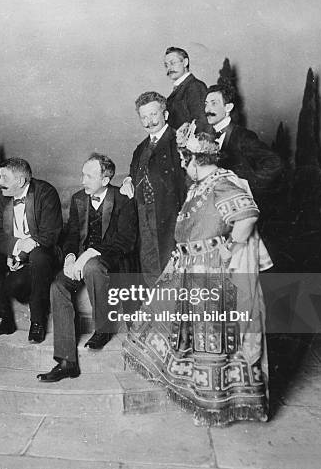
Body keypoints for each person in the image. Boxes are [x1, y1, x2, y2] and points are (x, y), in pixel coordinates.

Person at [123, 129, 271, 426]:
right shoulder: (202, 184)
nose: (181, 165)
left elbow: (247, 216)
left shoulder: (223, 183)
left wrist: (230, 250)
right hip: (191, 269)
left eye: (183, 159)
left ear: (194, 159)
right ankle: (200, 398)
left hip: (212, 273)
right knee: (190, 334)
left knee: (212, 339)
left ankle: (218, 406)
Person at [38, 153, 136, 382]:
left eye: (89, 176)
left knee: (92, 267)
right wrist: (71, 257)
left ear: (105, 179)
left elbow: (125, 241)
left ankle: (104, 328)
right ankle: (66, 362)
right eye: (83, 174)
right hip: (81, 260)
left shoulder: (122, 200)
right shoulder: (78, 199)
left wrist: (90, 254)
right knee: (58, 286)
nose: (83, 181)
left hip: (111, 260)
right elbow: (72, 235)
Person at [0, 158, 63, 343]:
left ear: (21, 181)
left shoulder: (45, 192)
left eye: (4, 178)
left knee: (38, 259)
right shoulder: (0, 195)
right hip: (15, 249)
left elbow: (50, 235)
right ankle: (3, 319)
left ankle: (38, 322)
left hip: (41, 251)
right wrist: (14, 249)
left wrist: (22, 253)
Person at [121, 91, 186, 282]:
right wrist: (128, 181)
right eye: (144, 117)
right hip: (144, 220)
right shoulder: (140, 149)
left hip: (171, 219)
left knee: (174, 272)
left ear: (165, 115)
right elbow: (135, 176)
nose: (149, 121)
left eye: (153, 114)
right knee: (150, 270)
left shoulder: (179, 142)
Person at [204, 84, 283, 227]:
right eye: (206, 104)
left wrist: (248, 187)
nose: (208, 110)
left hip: (241, 213)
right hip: (219, 212)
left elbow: (274, 162)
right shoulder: (206, 138)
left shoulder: (243, 136)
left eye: (214, 104)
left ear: (228, 108)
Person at [164, 46, 208, 130]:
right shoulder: (180, 87)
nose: (169, 68)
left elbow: (202, 124)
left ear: (185, 62)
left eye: (172, 63)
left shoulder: (195, 86)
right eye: (166, 65)